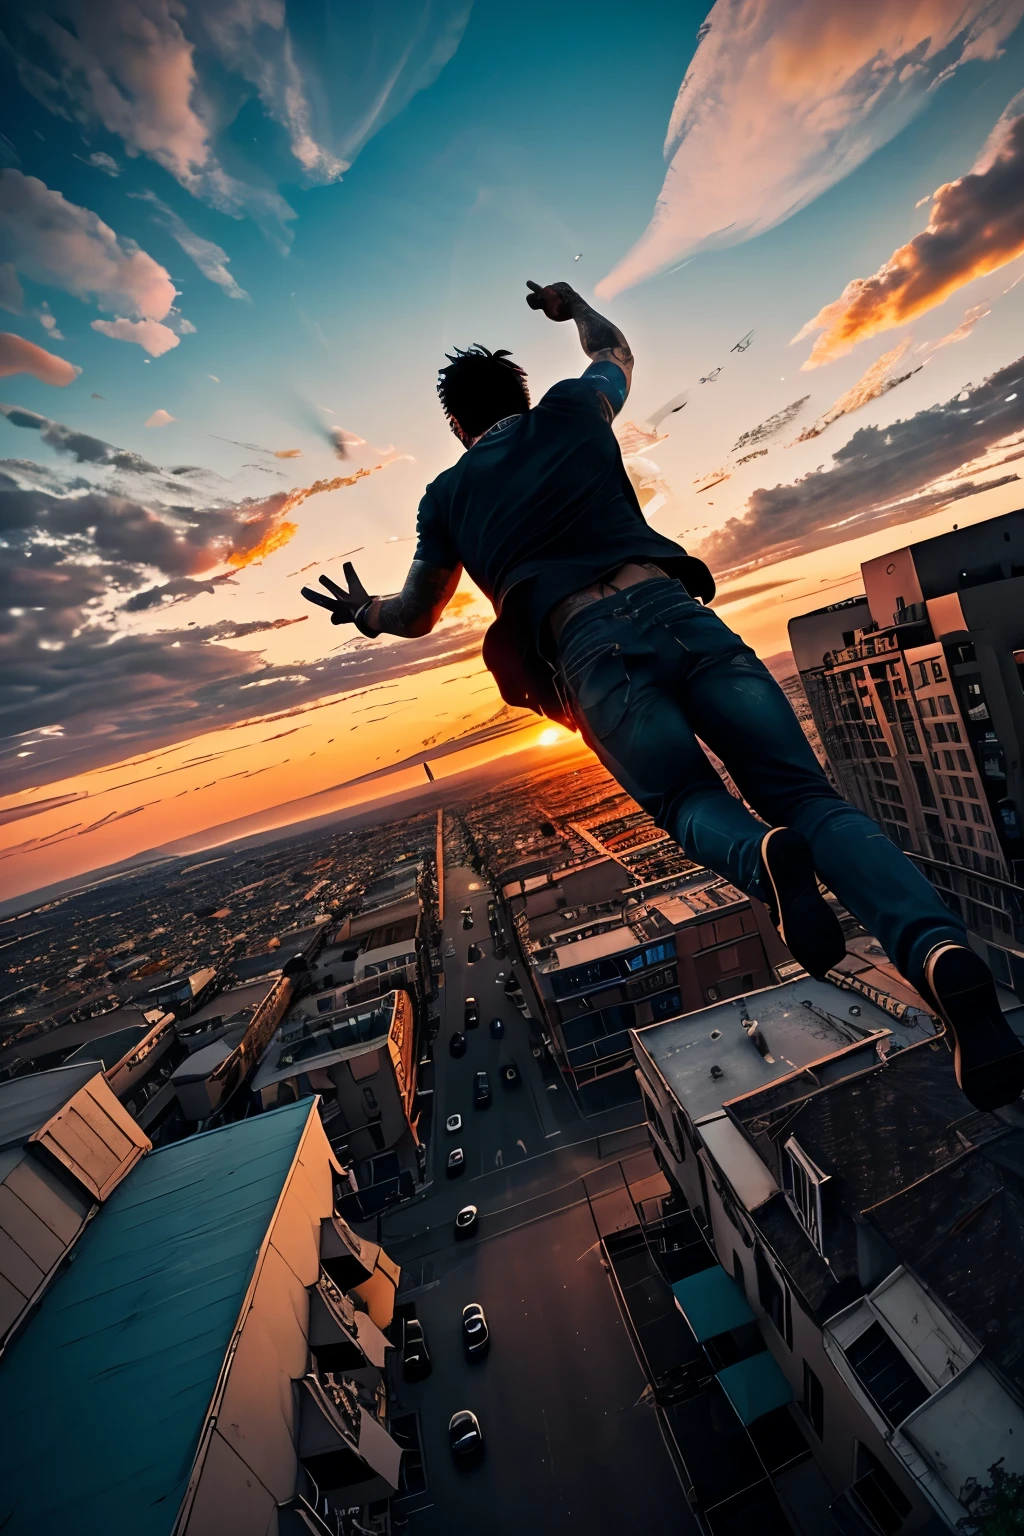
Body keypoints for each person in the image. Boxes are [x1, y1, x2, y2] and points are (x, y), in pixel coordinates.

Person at [303, 279, 1024, 1112]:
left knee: (685, 799)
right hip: (677, 612)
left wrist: (361, 613)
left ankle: (759, 857)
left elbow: (417, 615)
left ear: (459, 429)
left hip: (588, 651)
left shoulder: (449, 494)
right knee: (808, 796)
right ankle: (936, 952)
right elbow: (616, 353)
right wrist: (572, 309)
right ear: (522, 395)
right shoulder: (575, 410)